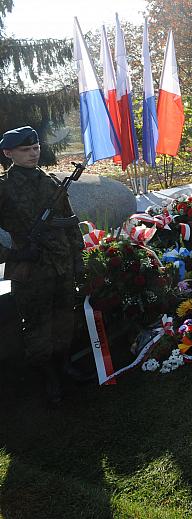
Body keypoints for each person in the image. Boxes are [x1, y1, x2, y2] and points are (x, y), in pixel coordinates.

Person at [0, 126, 84, 405]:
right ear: (8, 153)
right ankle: (48, 377)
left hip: (61, 265)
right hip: (32, 270)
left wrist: (77, 260)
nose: (33, 153)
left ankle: (65, 366)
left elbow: (70, 223)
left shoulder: (50, 183)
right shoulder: (4, 188)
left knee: (64, 319)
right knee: (37, 326)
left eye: (35, 148)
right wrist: (15, 256)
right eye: (25, 150)